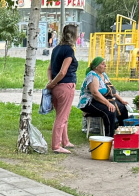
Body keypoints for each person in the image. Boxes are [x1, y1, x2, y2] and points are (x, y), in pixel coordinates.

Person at [46, 24, 79, 154]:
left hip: (56, 87)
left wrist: (51, 83)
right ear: (74, 35)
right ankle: (56, 146)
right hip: (66, 86)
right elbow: (63, 72)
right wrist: (53, 83)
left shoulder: (56, 49)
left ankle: (65, 141)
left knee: (62, 115)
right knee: (62, 118)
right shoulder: (69, 50)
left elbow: (50, 69)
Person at [78, 57, 130, 137]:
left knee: (122, 107)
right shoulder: (92, 75)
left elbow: (111, 90)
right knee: (109, 111)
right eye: (102, 64)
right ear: (96, 67)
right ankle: (109, 136)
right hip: (89, 102)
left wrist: (121, 100)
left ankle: (123, 133)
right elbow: (95, 93)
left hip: (101, 99)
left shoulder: (104, 75)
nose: (105, 65)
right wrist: (108, 103)